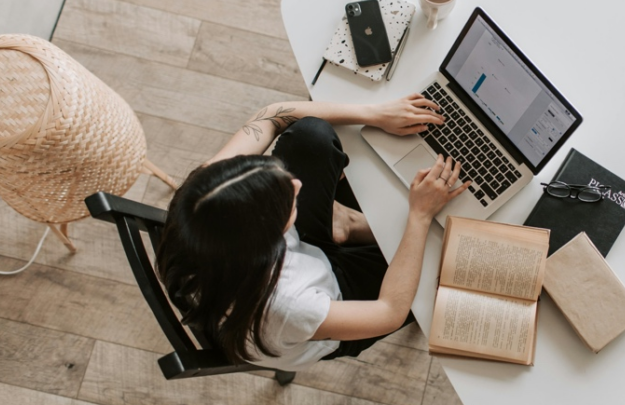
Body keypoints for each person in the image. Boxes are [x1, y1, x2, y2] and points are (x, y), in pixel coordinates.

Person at [155, 94, 470, 371]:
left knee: (309, 135)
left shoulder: (205, 197)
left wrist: (374, 113)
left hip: (288, 262)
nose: (296, 184)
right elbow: (389, 312)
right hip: (333, 304)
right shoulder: (289, 305)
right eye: (287, 202)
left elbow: (271, 115)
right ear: (268, 240)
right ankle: (347, 226)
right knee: (445, 264)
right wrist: (419, 215)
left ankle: (343, 226)